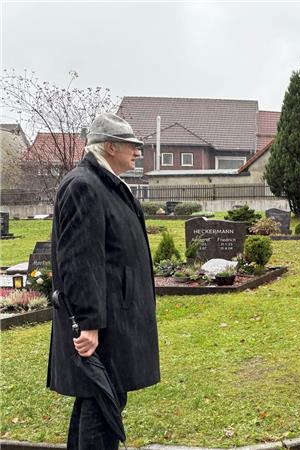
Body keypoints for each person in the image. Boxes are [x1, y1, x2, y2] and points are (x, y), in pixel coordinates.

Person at [48, 113, 160, 449]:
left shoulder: (104, 183)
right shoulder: (85, 186)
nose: (137, 152)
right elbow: (79, 260)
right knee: (101, 407)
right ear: (110, 147)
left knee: (99, 400)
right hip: (104, 324)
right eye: (131, 145)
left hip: (115, 318)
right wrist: (88, 324)